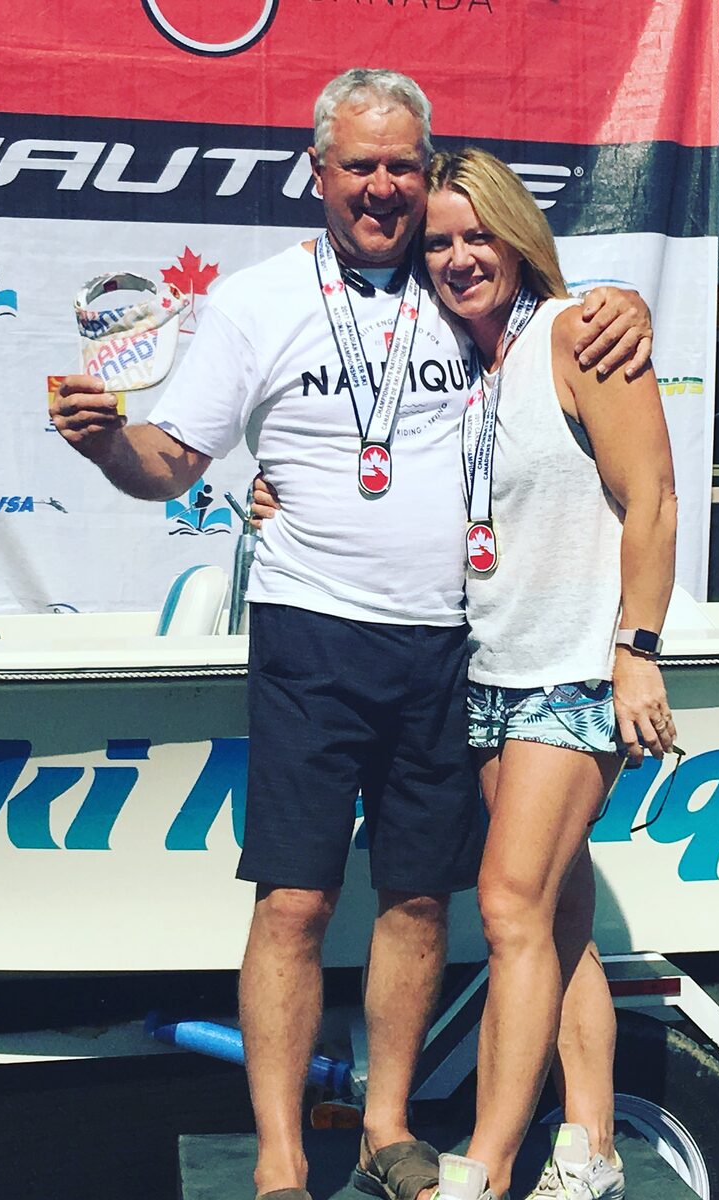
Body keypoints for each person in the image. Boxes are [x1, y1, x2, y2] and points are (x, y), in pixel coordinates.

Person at [50, 70, 653, 1200]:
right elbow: (171, 464)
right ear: (317, 173)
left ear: (428, 174)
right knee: (294, 900)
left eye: (402, 167)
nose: (382, 189)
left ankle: (386, 1129)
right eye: (359, 166)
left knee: (421, 900)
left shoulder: (462, 285)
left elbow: (562, 331)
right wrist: (105, 447)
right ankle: (282, 1159)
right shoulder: (254, 302)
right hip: (311, 636)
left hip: (450, 645)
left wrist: (629, 305)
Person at [424, 149, 677, 1200]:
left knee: (508, 908)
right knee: (557, 922)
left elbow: (654, 497)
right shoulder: (455, 363)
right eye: (439, 242)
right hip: (489, 676)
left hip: (573, 672)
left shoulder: (580, 332)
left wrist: (637, 654)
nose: (458, 257)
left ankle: (483, 1165)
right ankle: (593, 1149)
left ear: (518, 235)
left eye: (477, 233)